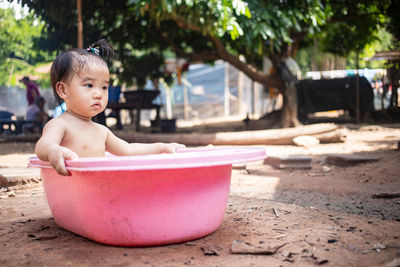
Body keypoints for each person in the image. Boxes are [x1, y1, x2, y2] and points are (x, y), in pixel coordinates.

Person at [35, 39, 185, 176]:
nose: (99, 94)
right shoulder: (60, 124)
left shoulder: (102, 131)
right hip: (71, 194)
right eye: (89, 85)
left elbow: (129, 150)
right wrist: (53, 150)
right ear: (63, 90)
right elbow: (43, 145)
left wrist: (162, 148)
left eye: (104, 87)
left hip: (98, 193)